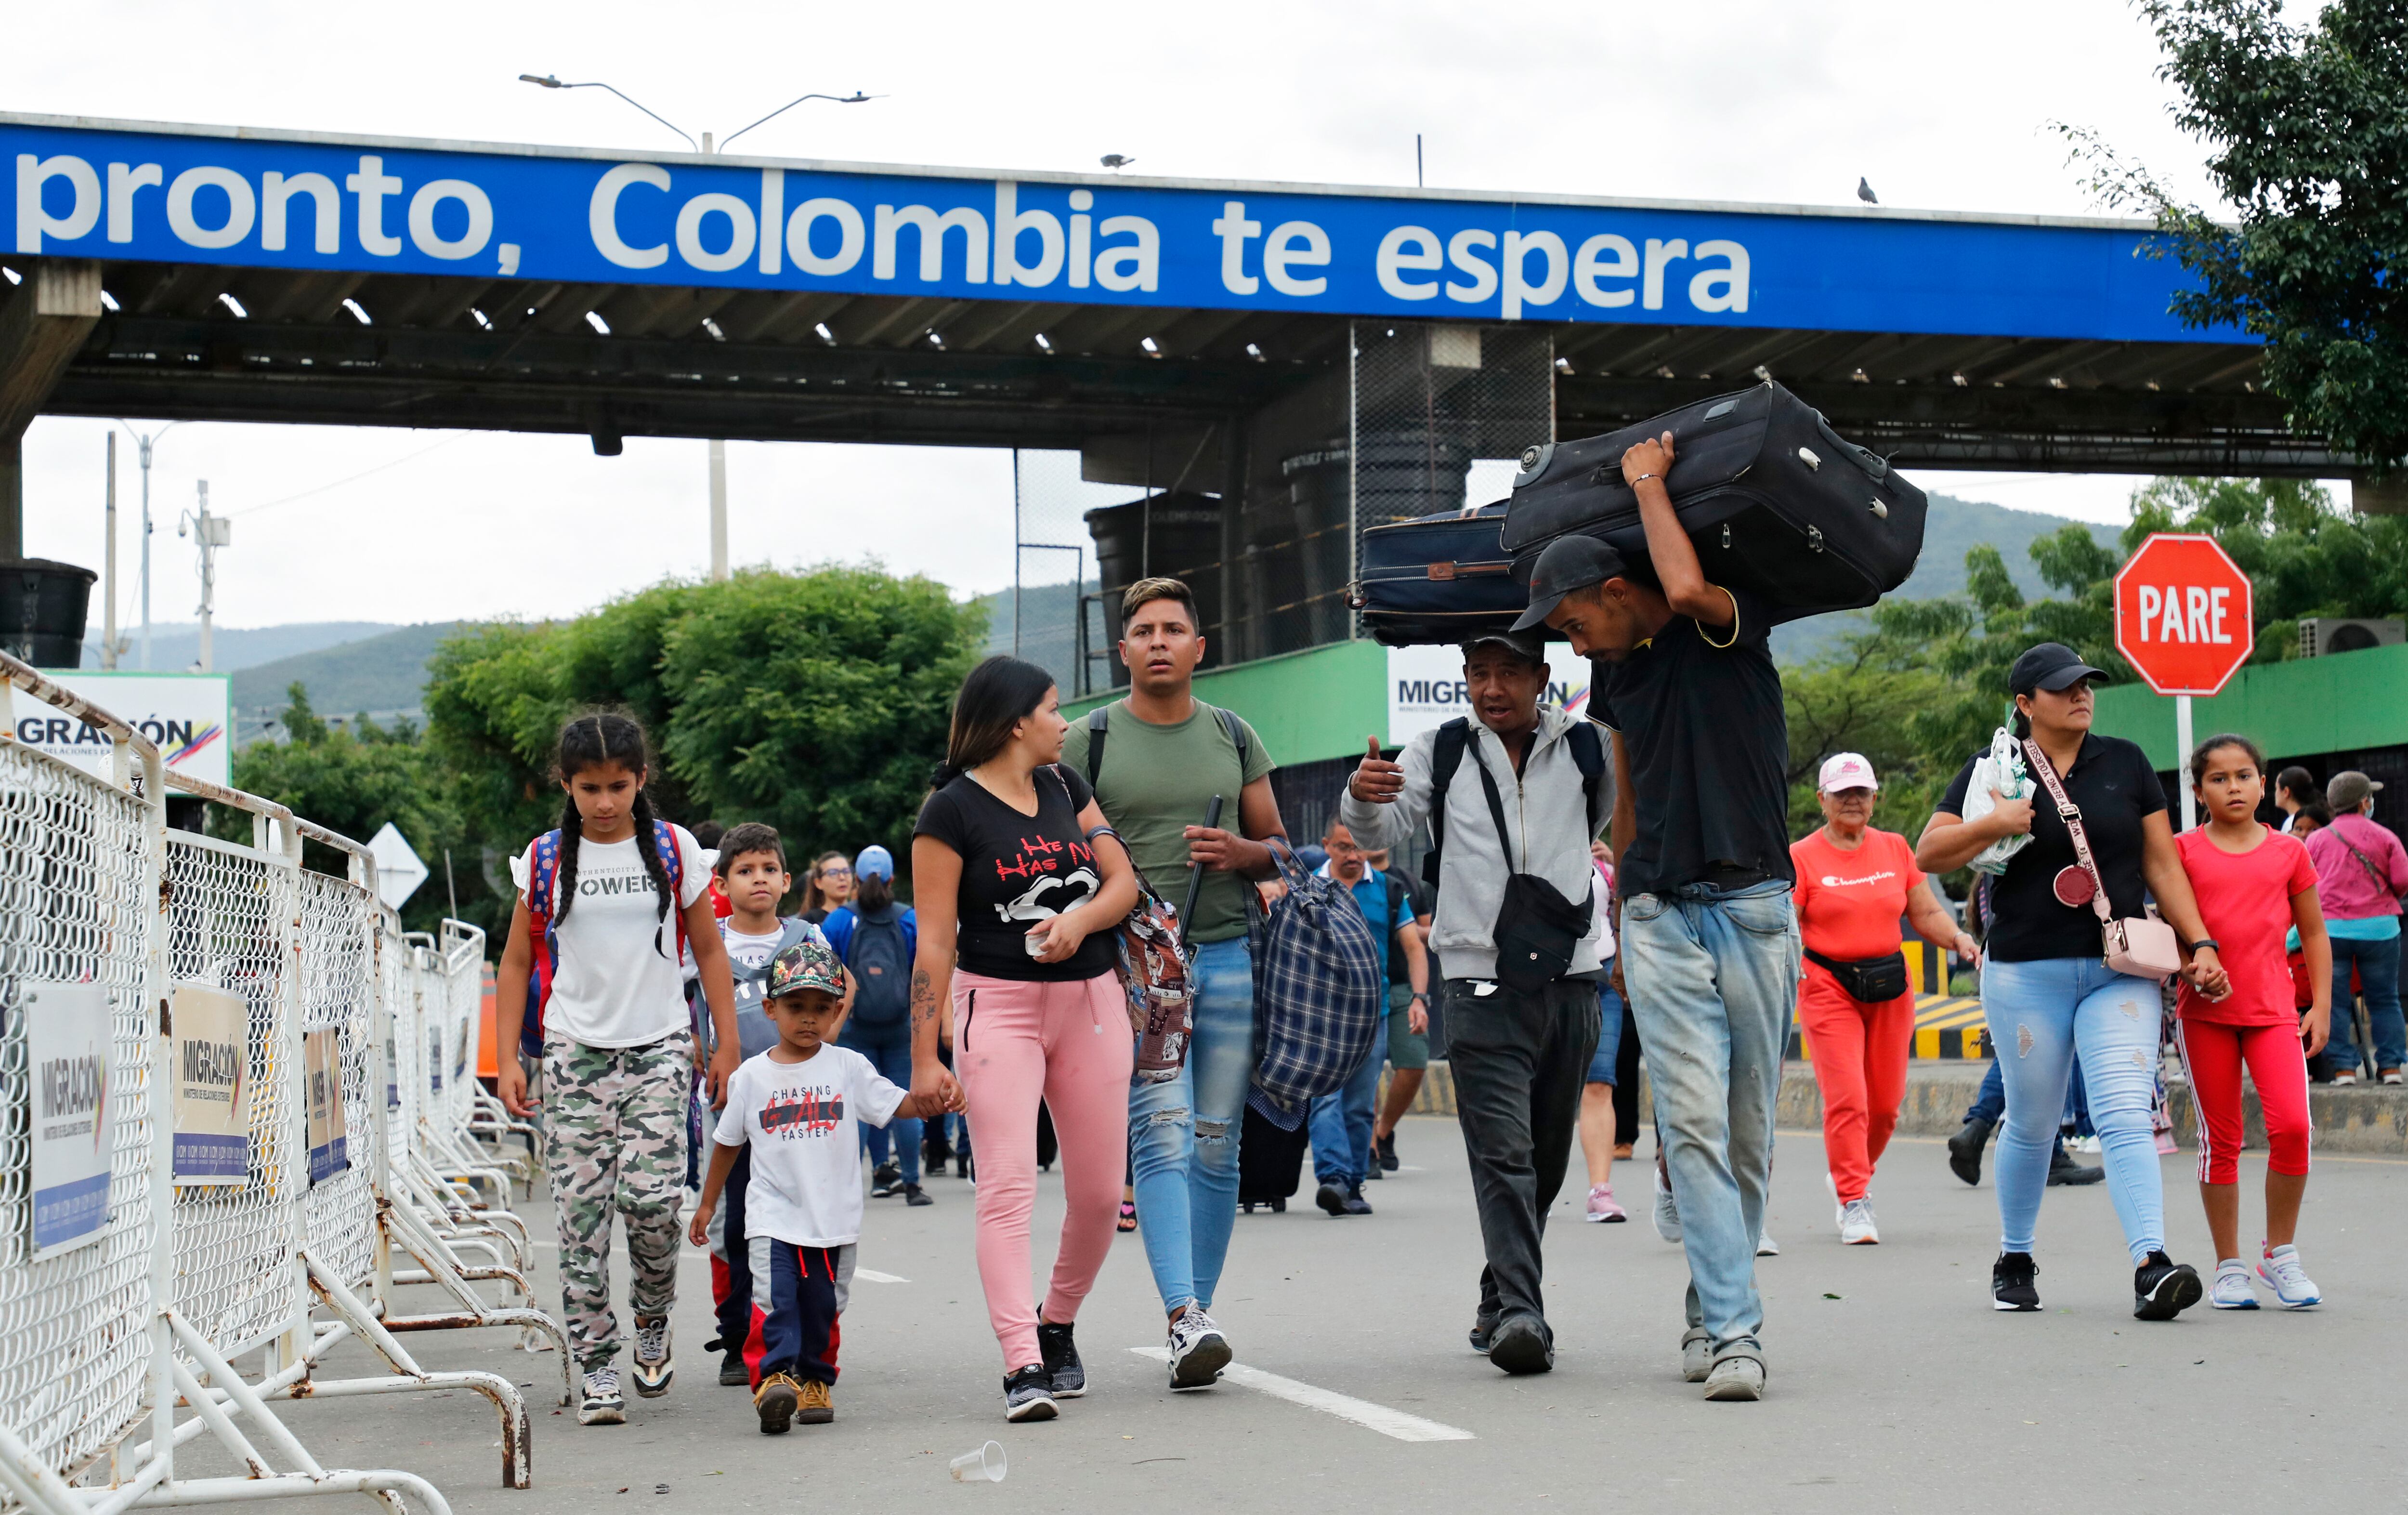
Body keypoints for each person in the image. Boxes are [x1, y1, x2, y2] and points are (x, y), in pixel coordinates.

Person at [1526, 430, 1799, 1403]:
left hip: (1756, 904)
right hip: (1658, 914)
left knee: (1743, 1134)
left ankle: (1706, 1302)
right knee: (1687, 1126)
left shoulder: (1727, 625)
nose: (1569, 642)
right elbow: (1625, 788)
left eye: (1569, 621)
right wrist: (1620, 868)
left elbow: (1683, 593)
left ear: (1611, 588)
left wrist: (1647, 480)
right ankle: (1734, 1331)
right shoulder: (1613, 679)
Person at [1915, 642, 2225, 1320]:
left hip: (2120, 969)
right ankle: (2015, 1255)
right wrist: (1994, 822)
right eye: (2063, 688)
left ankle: (2152, 1263)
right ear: (2025, 704)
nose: (2082, 695)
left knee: (2123, 1112)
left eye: (2087, 684)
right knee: (2031, 1120)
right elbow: (1928, 852)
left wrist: (2200, 940)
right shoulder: (1994, 770)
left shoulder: (2126, 763)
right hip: (2026, 971)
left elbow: (2163, 866)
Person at [1344, 627, 1611, 1378]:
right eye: (1479, 673)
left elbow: (1608, 823)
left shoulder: (1587, 748)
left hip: (1569, 975)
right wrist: (1362, 799)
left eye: (1509, 673)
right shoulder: (1442, 748)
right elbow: (1386, 828)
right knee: (1504, 1154)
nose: (1492, 688)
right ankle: (1525, 1314)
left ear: (1541, 676)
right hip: (1475, 978)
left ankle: (1499, 1288)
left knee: (1549, 1157)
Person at [1060, 578, 1285, 1392]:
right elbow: (1053, 855)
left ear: (1200, 647)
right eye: (1144, 630)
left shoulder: (1233, 733)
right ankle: (1184, 1310)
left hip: (1225, 956)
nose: (1159, 641)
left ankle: (1197, 1319)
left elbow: (1280, 849)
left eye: (1174, 629)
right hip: (1132, 968)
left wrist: (1239, 852)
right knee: (1162, 1135)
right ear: (1123, 651)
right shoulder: (1087, 741)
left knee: (1219, 1142)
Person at [909, 656, 1141, 1423]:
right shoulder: (948, 812)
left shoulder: (1066, 788)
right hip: (997, 1009)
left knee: (1102, 1194)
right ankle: (1022, 1363)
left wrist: (1077, 921)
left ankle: (1058, 1320)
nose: (1065, 719)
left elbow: (1123, 883)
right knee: (1006, 1188)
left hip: (1092, 1001)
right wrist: (923, 1055)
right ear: (1015, 722)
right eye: (1052, 707)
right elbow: (935, 944)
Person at [494, 711, 738, 1426]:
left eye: (619, 786)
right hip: (574, 1052)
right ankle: (598, 1364)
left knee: (653, 1202)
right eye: (590, 787)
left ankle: (653, 1318)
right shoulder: (544, 860)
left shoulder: (672, 848)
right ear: (566, 785)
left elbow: (711, 950)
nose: (605, 802)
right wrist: (512, 1057)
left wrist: (725, 1042)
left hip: (661, 1044)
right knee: (581, 1219)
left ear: (642, 780)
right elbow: (515, 962)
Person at [688, 939, 960, 1433]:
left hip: (833, 1219)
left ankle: (815, 1380)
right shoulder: (752, 1077)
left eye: (820, 1008)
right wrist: (708, 1204)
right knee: (774, 1301)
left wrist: (933, 1100)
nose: (808, 1018)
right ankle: (772, 1379)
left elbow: (893, 1103)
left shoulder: (846, 1067)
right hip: (772, 1216)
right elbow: (727, 1142)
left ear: (837, 1011)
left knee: (823, 1308)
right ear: (770, 1008)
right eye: (795, 1007)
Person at [1792, 753, 1980, 1244]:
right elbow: (1785, 924)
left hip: (1888, 984)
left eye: (1861, 792)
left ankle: (1848, 1171)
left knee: (1886, 1106)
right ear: (1822, 800)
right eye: (1841, 793)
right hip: (1826, 983)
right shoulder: (1801, 855)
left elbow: (1924, 911)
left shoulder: (1895, 848)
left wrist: (1957, 937)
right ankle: (1854, 1198)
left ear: (1875, 798)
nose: (1852, 801)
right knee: (1848, 1099)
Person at [2173, 735, 2329, 1309]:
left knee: (2292, 1127)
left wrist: (2319, 1007)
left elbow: (2313, 932)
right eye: (2218, 778)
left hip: (2272, 1013)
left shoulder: (2289, 852)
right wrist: (2190, 968)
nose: (2232, 786)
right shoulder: (2181, 851)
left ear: (2264, 784)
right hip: (2204, 1017)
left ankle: (2279, 1254)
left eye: (2243, 775)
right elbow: (2172, 932)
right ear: (2197, 790)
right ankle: (2228, 1266)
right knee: (2221, 1140)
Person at [700, 823, 851, 1387]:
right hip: (729, 1106)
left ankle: (802, 1338)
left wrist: (826, 1051)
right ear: (722, 882)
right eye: (745, 870)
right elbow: (682, 1002)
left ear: (787, 881)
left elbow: (844, 985)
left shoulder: (807, 936)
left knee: (794, 1223)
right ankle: (737, 1337)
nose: (757, 879)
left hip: (797, 1113)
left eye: (767, 869)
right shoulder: (709, 939)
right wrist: (700, 1048)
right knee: (733, 1224)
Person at [1306, 821, 1427, 1215]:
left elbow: (1414, 948)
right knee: (1325, 1099)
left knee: (1359, 1106)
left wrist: (1420, 999)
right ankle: (1334, 1178)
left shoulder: (1390, 891)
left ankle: (1354, 1182)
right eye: (1343, 847)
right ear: (1327, 846)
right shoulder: (1308, 888)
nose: (1353, 856)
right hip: (1322, 1014)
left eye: (1358, 848)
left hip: (1370, 1014)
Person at [824, 847, 927, 1203]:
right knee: (904, 1101)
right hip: (901, 1024)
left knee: (857, 1106)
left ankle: (849, 1185)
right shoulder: (909, 918)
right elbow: (922, 970)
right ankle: (913, 1184)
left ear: (855, 881)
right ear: (892, 880)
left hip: (855, 1026)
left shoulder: (840, 920)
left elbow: (826, 969)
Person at [2304, 770, 2408, 1084]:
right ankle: (2390, 1068)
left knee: (2333, 1001)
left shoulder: (2316, 839)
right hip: (2380, 931)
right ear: (2365, 802)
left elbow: (2304, 884)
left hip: (2331, 932)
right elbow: (2402, 882)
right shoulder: (2386, 836)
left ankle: (2344, 1069)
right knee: (2385, 998)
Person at [1367, 847, 1435, 1172]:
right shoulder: (1347, 879)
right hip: (1363, 988)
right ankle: (1366, 1148)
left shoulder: (1405, 883)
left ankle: (1383, 1132)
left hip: (1403, 985)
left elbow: (1428, 932)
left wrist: (1399, 920)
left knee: (1413, 1062)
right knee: (1367, 1069)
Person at [1574, 866, 1629, 1221]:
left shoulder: (1604, 867)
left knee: (1599, 1082)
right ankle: (1528, 1185)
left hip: (1603, 974)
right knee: (1542, 1086)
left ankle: (1600, 1191)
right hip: (1548, 975)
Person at [799, 852, 853, 924]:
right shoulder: (810, 921)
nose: (842, 877)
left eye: (846, 871)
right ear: (818, 883)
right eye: (833, 873)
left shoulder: (860, 914)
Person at [2274, 767, 2318, 835]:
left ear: (2286, 792)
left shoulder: (2291, 823)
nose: (2276, 793)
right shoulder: (2317, 819)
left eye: (2277, 788)